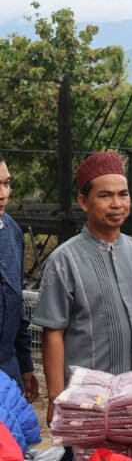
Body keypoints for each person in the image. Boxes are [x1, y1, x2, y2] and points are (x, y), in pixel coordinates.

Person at [33, 151, 132, 423]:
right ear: (83, 202)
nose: (117, 203)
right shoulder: (64, 261)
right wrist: (56, 397)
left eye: (123, 194)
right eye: (105, 195)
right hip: (86, 397)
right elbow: (53, 332)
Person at [0, 157, 38, 402]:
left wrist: (25, 366)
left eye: (6, 183)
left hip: (7, 371)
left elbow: (17, 306)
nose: (3, 194)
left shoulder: (12, 232)